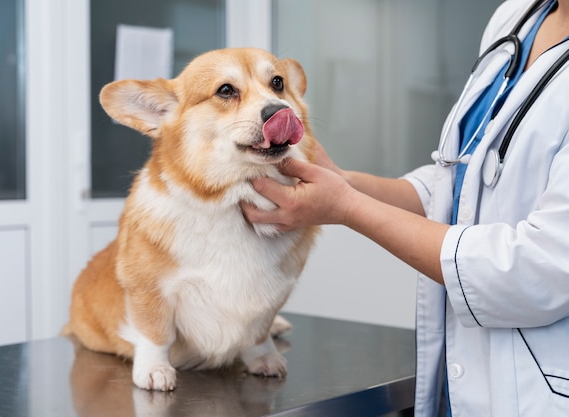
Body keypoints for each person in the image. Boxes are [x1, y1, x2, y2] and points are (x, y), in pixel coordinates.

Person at [241, 0, 569, 415]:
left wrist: (346, 206)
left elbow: (534, 269)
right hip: (467, 383)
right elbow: (460, 184)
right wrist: (346, 184)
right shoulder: (518, 16)